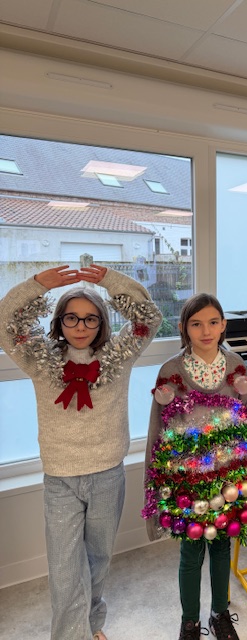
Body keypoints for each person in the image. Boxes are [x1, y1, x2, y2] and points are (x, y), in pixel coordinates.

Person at [0, 264, 162, 640]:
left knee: (98, 558)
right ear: (59, 321)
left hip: (108, 473)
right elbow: (6, 322)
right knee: (64, 567)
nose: (80, 326)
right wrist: (37, 285)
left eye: (91, 318)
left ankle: (91, 622)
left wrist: (109, 280)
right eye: (71, 317)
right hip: (61, 478)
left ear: (102, 323)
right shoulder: (39, 358)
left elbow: (148, 316)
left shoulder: (119, 355)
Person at [143, 293, 247, 640]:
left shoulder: (235, 364)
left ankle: (219, 614)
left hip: (229, 477)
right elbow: (157, 429)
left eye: (213, 322)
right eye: (196, 324)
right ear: (184, 328)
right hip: (187, 483)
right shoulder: (171, 371)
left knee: (221, 546)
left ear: (224, 325)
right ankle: (190, 621)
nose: (206, 331)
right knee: (190, 552)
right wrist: (152, 485)